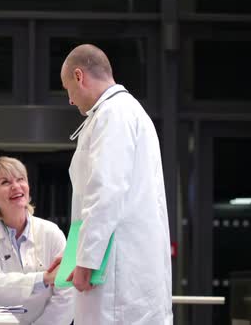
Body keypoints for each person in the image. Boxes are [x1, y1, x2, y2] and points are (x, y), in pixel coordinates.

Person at [55, 44, 173, 324]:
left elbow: (105, 191)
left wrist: (86, 260)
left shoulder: (113, 114)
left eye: (67, 88)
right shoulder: (124, 112)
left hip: (117, 278)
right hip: (126, 268)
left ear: (79, 76)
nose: (70, 100)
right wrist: (75, 254)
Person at [0, 156, 74, 325]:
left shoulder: (51, 232)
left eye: (21, 179)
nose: (16, 186)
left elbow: (67, 294)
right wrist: (45, 278)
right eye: (5, 182)